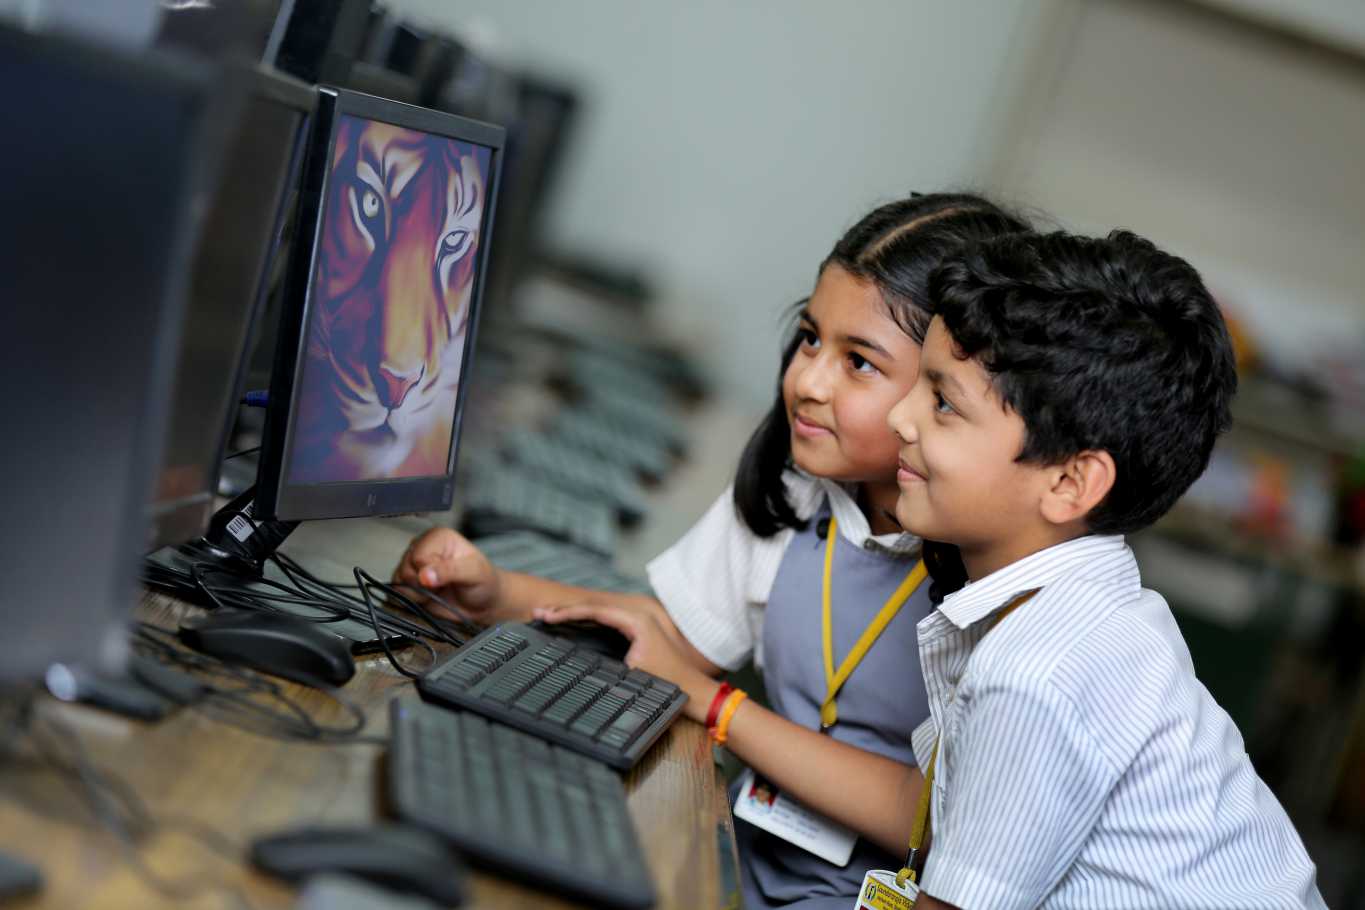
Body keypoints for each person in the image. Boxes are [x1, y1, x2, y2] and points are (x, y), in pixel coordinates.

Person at [394, 194, 1030, 908]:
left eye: (859, 363)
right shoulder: (799, 484)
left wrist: (719, 707)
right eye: (811, 337)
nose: (807, 380)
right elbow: (665, 637)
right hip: (747, 860)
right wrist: (491, 593)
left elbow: (931, 818)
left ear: (946, 387)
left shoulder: (996, 568)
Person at [881, 229, 1324, 908]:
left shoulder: (1037, 669)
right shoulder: (1095, 612)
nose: (898, 417)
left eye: (942, 402)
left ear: (1069, 483)